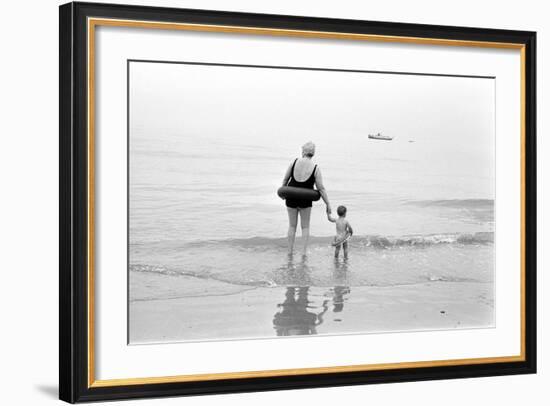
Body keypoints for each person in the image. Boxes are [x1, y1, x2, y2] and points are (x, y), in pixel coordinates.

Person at [281, 142, 331, 256]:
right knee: (305, 227)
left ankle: (290, 252)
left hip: (291, 197)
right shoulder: (316, 168)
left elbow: (285, 180)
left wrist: (283, 195)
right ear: (313, 153)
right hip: (305, 200)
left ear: (303, 151)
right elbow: (321, 188)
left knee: (292, 226)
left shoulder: (294, 162)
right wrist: (328, 204)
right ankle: (303, 254)